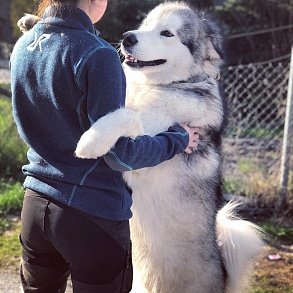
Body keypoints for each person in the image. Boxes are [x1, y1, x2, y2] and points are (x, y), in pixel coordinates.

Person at [10, 0, 200, 292]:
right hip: (91, 217)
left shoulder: (23, 45)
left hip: (34, 206)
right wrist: (177, 139)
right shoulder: (97, 54)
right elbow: (121, 156)